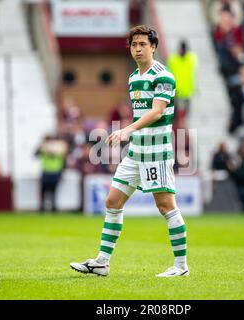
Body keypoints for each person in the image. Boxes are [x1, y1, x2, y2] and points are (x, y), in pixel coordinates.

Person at [70, 25, 189, 277]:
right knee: (112, 201)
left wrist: (126, 130)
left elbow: (157, 112)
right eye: (134, 45)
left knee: (166, 206)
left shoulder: (163, 76)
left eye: (143, 44)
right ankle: (102, 262)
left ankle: (181, 267)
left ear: (153, 47)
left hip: (156, 152)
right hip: (136, 153)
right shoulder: (134, 77)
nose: (137, 49)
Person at [36, 135, 68, 212]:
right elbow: (35, 154)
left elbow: (64, 159)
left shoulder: (60, 148)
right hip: (46, 172)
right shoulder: (44, 148)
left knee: (53, 191)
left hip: (55, 172)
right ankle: (43, 207)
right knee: (44, 190)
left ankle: (53, 206)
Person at [167, 40, 198, 116]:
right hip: (176, 91)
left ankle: (182, 126)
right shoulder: (173, 59)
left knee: (185, 115)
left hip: (187, 91)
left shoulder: (191, 59)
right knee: (177, 115)